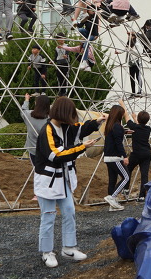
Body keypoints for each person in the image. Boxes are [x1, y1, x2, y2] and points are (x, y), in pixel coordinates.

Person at [34, 96, 103, 267]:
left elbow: (81, 128)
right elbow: (56, 155)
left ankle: (69, 247)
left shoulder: (66, 127)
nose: (73, 119)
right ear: (63, 113)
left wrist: (97, 122)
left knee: (69, 211)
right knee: (48, 216)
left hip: (63, 180)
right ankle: (47, 252)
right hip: (48, 181)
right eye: (71, 114)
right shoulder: (47, 131)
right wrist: (82, 147)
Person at [102, 103, 130, 211]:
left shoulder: (110, 125)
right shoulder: (117, 126)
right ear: (119, 114)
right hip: (115, 157)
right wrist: (125, 156)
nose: (122, 116)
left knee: (112, 180)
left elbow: (114, 137)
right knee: (126, 177)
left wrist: (124, 132)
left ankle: (112, 206)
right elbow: (119, 143)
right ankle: (112, 197)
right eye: (122, 114)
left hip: (108, 157)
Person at [125, 111, 151, 199]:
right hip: (146, 153)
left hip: (137, 153)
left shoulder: (134, 127)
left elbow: (126, 117)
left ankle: (126, 189)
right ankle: (142, 196)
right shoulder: (148, 129)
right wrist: (135, 118)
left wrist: (123, 106)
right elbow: (139, 126)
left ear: (138, 119)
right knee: (144, 175)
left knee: (128, 169)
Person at [21, 94, 50, 169]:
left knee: (37, 169)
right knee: (47, 169)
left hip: (33, 149)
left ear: (36, 104)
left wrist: (27, 100)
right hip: (47, 150)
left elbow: (23, 110)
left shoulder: (29, 115)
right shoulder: (51, 118)